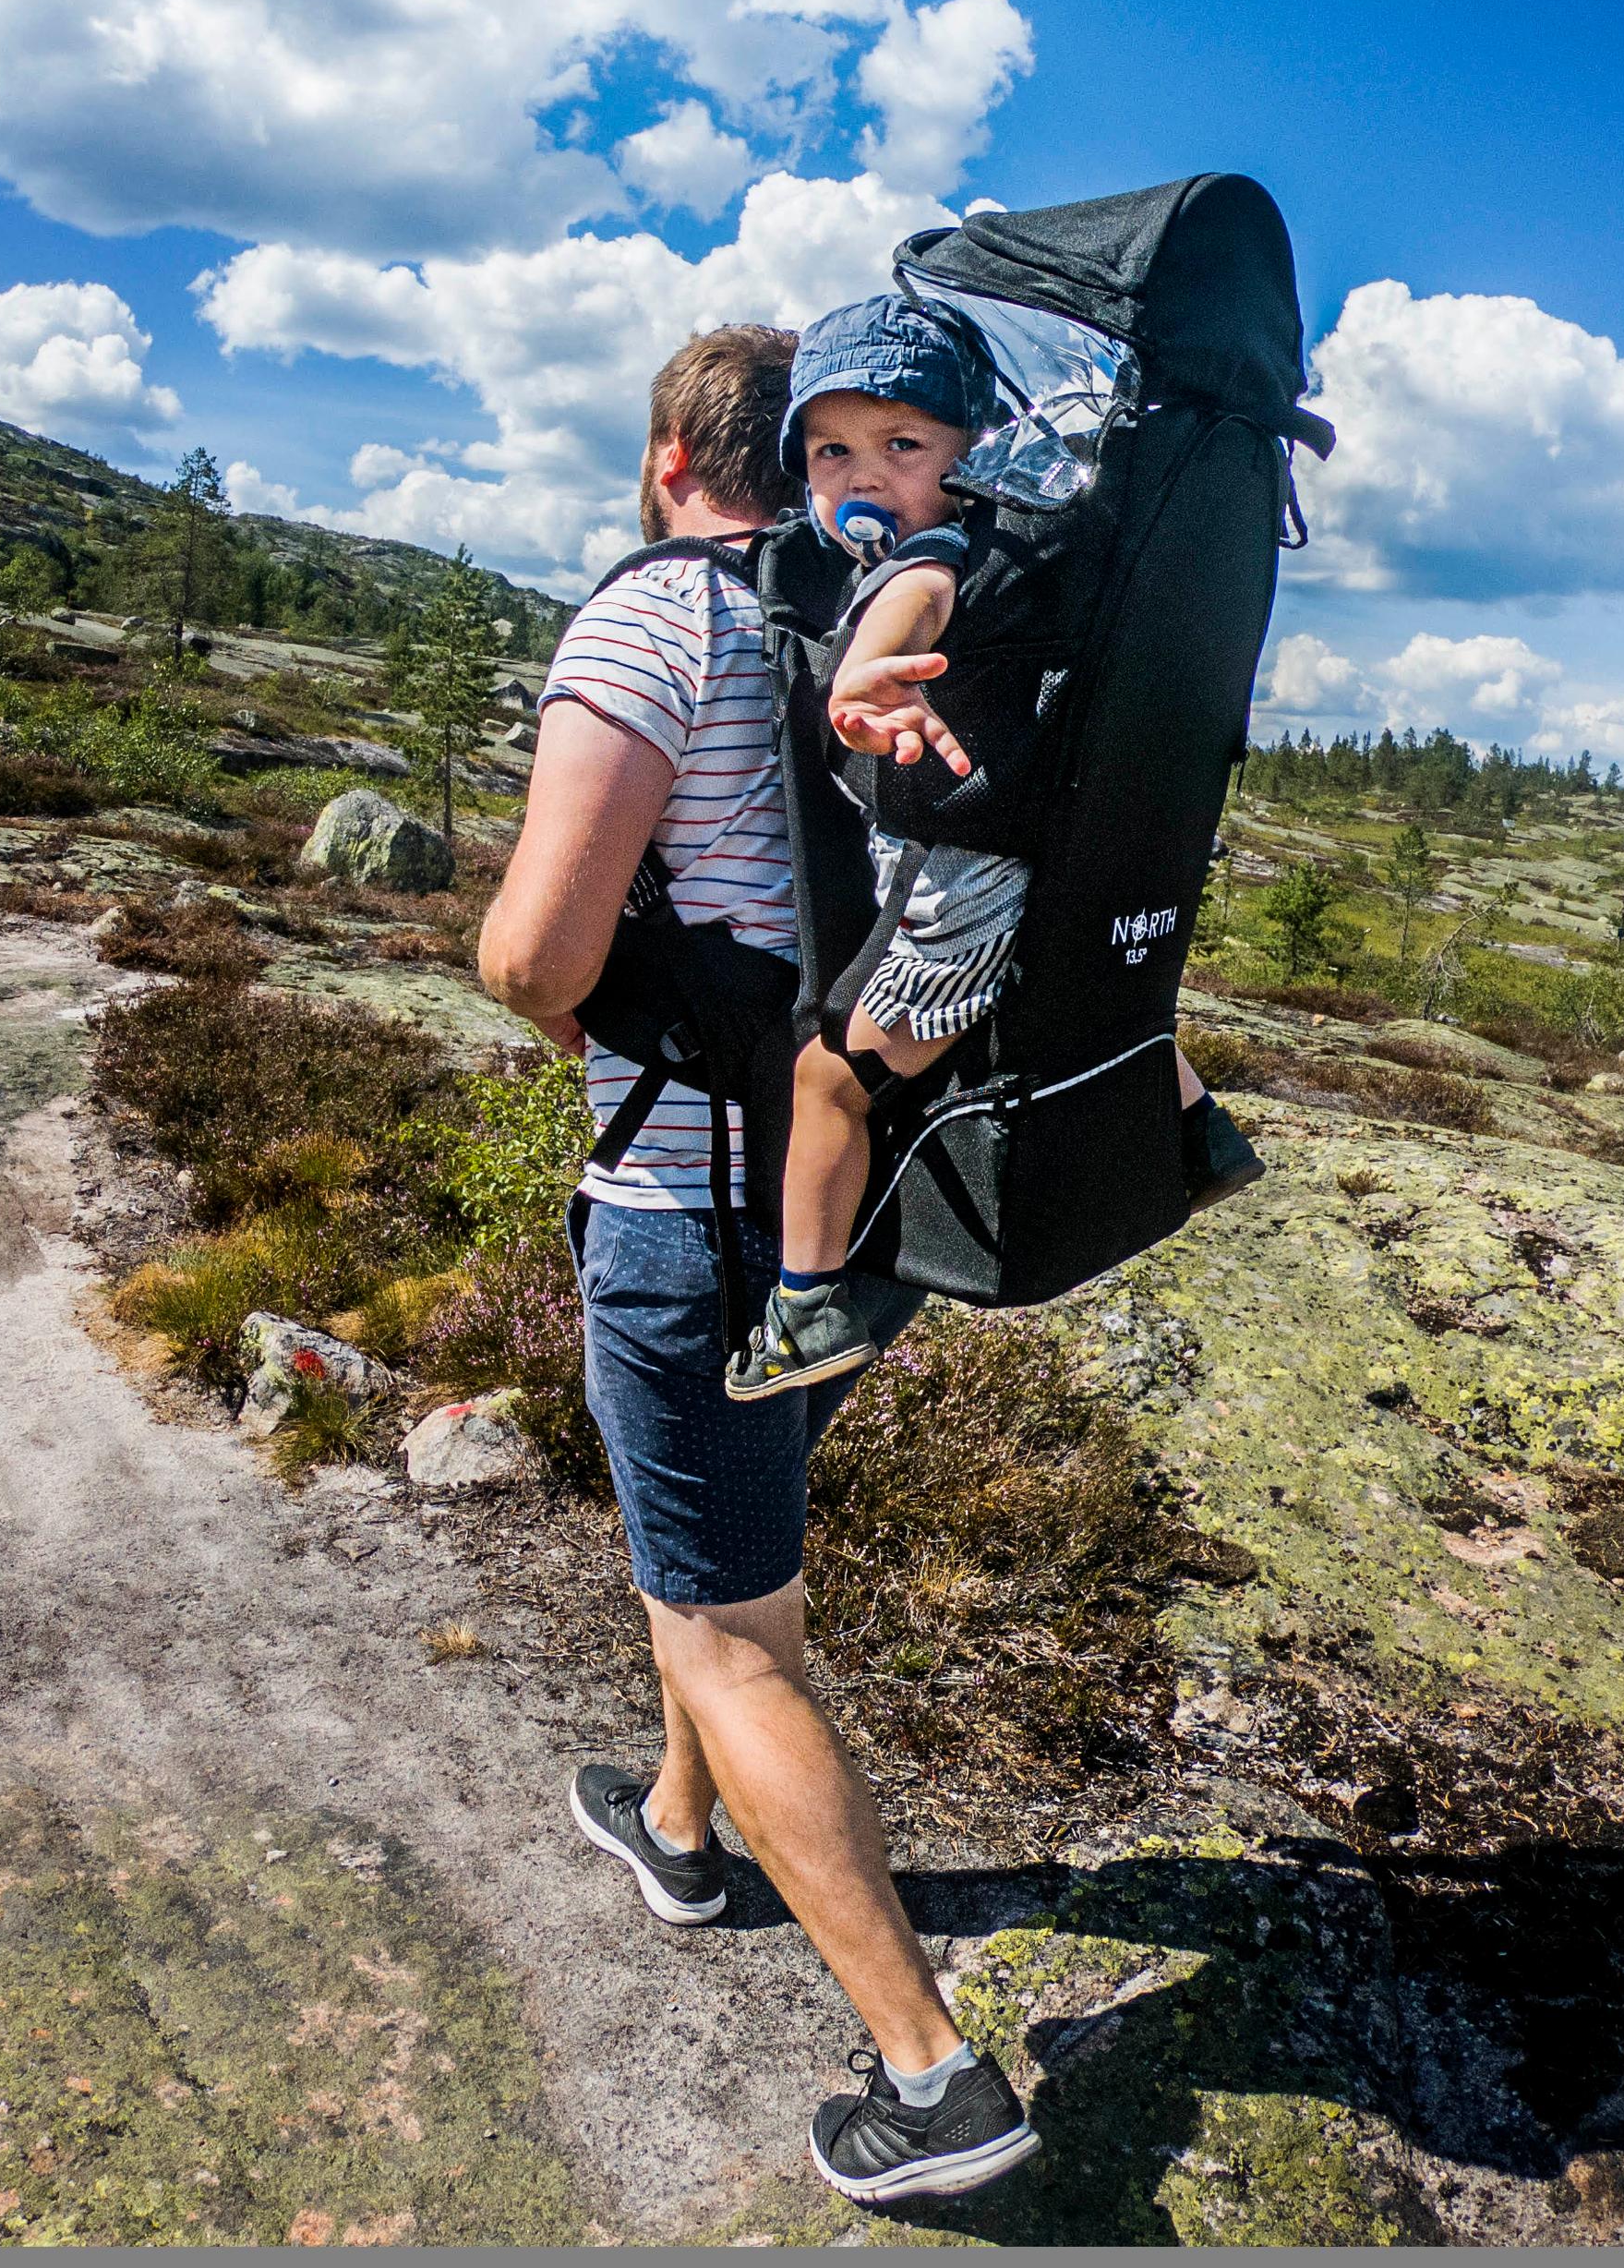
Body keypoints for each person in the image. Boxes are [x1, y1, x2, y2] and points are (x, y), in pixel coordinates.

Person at [476, 324, 1041, 2204]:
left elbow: (537, 957)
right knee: (725, 1554)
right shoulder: (850, 605)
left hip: (686, 1212)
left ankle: (933, 2074)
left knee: (733, 1632)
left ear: (664, 463)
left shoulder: (655, 624)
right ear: (790, 461)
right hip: (836, 1198)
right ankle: (675, 1833)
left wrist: (534, 991)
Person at [728, 296, 1263, 1405]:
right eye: (832, 450)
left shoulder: (935, 559)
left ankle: (804, 1305)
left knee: (829, 1084)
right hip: (1058, 869)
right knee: (1077, 1005)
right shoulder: (1018, 558)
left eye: (902, 445)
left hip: (958, 900)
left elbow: (907, 610)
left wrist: (857, 681)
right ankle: (1200, 1138)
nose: (864, 474)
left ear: (970, 456)